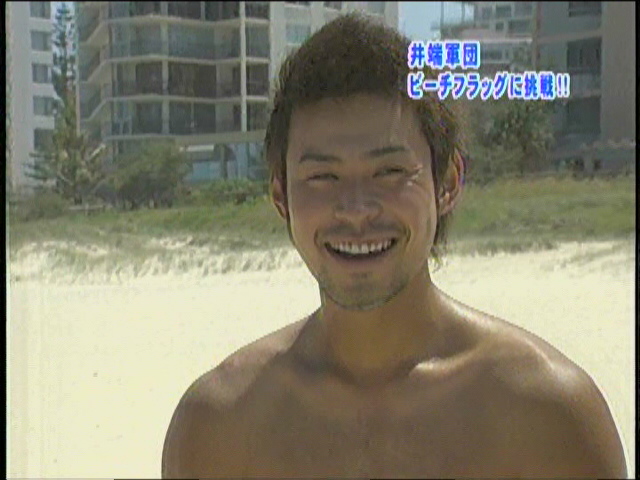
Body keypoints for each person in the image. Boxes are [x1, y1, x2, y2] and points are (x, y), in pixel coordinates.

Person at [162, 13, 627, 479]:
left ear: (448, 182)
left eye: (389, 172)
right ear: (281, 195)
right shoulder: (219, 426)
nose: (356, 209)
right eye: (323, 176)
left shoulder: (547, 416)